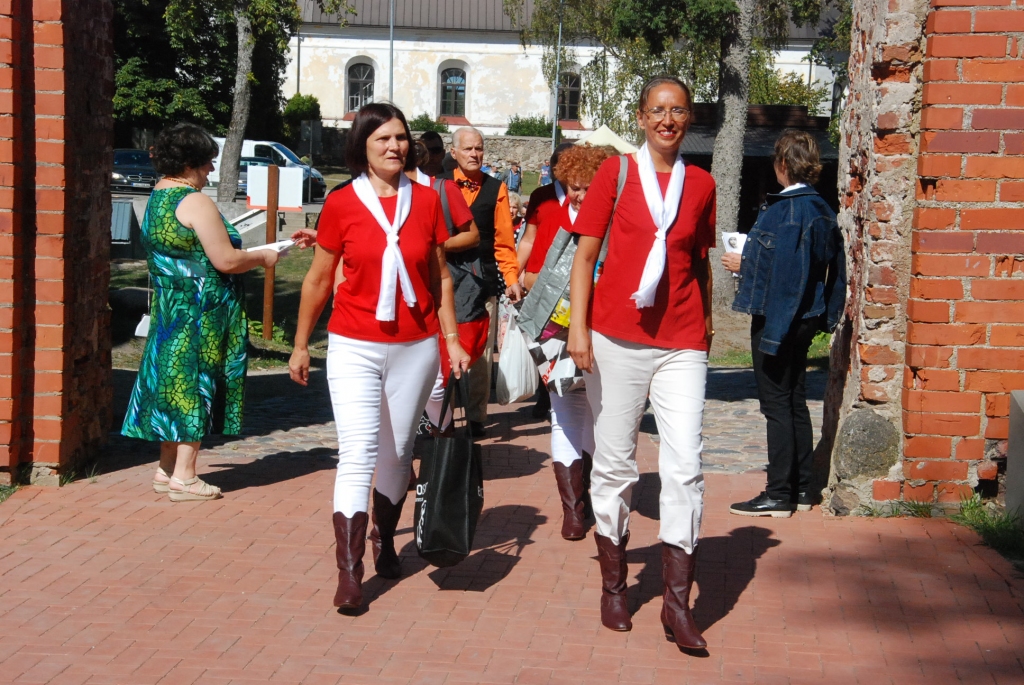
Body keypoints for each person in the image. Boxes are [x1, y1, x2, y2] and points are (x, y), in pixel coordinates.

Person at [287, 103, 471, 612]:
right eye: (382, 139)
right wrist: (302, 343)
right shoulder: (343, 203)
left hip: (415, 347)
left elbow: (440, 278)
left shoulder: (428, 200)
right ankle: (350, 574)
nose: (395, 147)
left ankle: (385, 539)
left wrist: (451, 338)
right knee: (359, 452)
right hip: (354, 344)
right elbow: (320, 279)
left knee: (396, 453)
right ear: (362, 147)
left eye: (401, 138)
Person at [567, 75, 715, 648]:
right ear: (641, 116)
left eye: (678, 110)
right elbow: (585, 257)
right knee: (616, 463)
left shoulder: (700, 184)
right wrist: (578, 329)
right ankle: (614, 585)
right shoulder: (615, 173)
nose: (667, 120)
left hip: (680, 342)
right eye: (658, 109)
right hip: (616, 339)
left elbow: (698, 260)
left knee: (685, 465)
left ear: (689, 119)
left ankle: (677, 605)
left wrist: (703, 330)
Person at [122, 123, 280, 501]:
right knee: (195, 384)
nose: (212, 169)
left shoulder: (159, 195)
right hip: (201, 310)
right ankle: (186, 477)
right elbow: (225, 260)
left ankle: (165, 469)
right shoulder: (195, 201)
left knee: (170, 383)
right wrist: (263, 256)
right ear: (191, 162)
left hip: (170, 307)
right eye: (208, 162)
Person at [723, 130, 846, 517]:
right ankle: (803, 488)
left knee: (776, 404)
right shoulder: (822, 208)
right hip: (804, 316)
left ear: (781, 164)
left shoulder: (789, 212)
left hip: (782, 317)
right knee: (792, 401)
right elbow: (833, 273)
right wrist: (827, 315)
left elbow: (790, 278)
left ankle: (779, 493)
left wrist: (746, 265)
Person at [523, 144, 610, 540]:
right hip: (558, 332)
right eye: (573, 187)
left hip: (606, 330)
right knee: (565, 413)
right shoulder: (559, 216)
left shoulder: (617, 221)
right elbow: (534, 275)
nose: (578, 195)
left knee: (599, 413)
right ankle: (573, 511)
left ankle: (588, 496)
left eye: (587, 187)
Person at [444, 127, 524, 437]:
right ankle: (443, 415)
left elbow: (505, 241)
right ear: (454, 153)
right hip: (444, 280)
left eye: (479, 149)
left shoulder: (497, 189)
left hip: (482, 280)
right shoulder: (439, 185)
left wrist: (512, 278)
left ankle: (477, 416)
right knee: (443, 348)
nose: (475, 155)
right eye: (468, 149)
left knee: (479, 352)